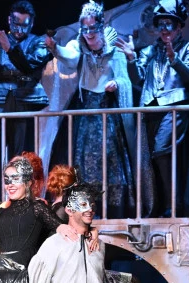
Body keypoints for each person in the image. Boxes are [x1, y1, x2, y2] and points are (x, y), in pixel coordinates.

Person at [45, 0, 145, 219]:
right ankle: (84, 208)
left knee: (110, 159)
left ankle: (112, 210)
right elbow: (70, 57)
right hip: (86, 112)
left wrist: (117, 84)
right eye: (85, 29)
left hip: (108, 112)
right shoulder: (79, 45)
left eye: (93, 28)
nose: (89, 34)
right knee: (82, 160)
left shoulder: (114, 46)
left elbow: (125, 78)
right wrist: (55, 48)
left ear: (100, 26)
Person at [115, 0, 189, 218]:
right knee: (149, 158)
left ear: (179, 26)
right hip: (150, 110)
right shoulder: (149, 51)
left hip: (175, 109)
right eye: (160, 24)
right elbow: (138, 79)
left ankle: (174, 204)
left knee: (161, 149)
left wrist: (174, 59)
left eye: (169, 24)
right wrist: (131, 59)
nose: (164, 29)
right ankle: (159, 204)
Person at [0, 1, 53, 199]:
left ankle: (17, 198)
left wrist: (10, 48)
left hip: (23, 97)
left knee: (18, 154)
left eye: (24, 25)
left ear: (31, 23)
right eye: (16, 24)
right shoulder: (0, 38)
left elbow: (30, 65)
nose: (19, 29)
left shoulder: (37, 42)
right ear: (9, 20)